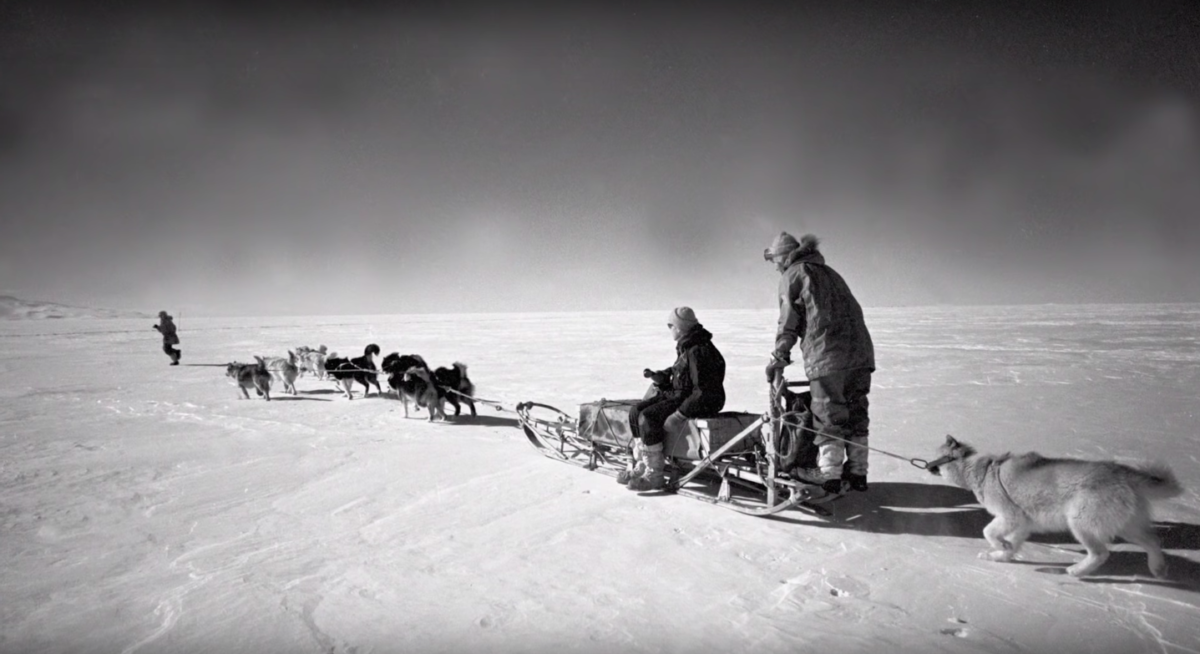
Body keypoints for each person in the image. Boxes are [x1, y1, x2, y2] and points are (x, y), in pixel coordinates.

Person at [763, 232, 874, 493]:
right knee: (856, 411)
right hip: (860, 354)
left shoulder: (793, 275)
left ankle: (829, 474)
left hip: (828, 355)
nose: (775, 267)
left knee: (828, 413)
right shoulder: (831, 273)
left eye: (774, 261)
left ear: (782, 257)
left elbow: (789, 321)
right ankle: (858, 472)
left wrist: (779, 356)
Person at [626, 307, 727, 492]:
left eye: (670, 325)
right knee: (636, 411)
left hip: (700, 401)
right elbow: (679, 372)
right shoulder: (688, 346)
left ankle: (655, 475)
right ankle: (642, 462)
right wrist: (661, 376)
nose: (670, 329)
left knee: (648, 417)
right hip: (684, 395)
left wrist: (680, 415)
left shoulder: (698, 350)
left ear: (680, 328)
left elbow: (703, 391)